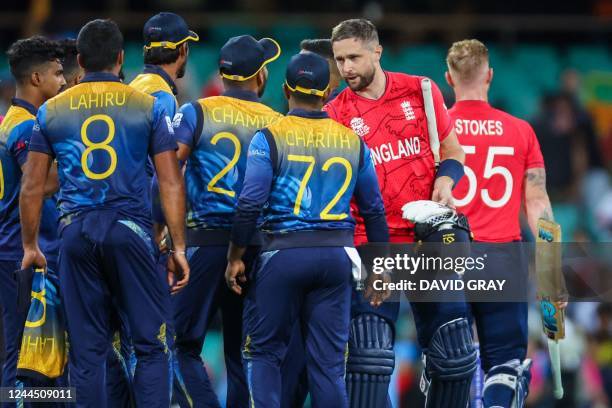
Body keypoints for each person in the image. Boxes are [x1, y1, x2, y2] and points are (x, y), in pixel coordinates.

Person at [19, 19, 189, 407]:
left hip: (75, 232)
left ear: (79, 59)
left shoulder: (51, 111)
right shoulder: (146, 106)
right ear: (120, 58)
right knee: (150, 345)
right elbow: (170, 182)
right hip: (130, 231)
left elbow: (32, 187)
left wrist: (30, 245)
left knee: (87, 352)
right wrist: (177, 246)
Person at [325, 19, 476, 407]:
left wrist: (446, 181)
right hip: (371, 248)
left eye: (354, 57)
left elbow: (453, 151)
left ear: (377, 52)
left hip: (427, 241)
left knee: (456, 353)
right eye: (340, 60)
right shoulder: (334, 114)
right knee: (368, 360)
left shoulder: (420, 91)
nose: (346, 68)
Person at [225, 51, 389, 408]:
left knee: (263, 354)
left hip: (282, 255)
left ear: (285, 90)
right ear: (328, 91)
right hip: (336, 258)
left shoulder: (268, 138)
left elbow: (250, 203)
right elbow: (374, 211)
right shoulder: (353, 142)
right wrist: (379, 268)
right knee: (329, 367)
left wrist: (236, 256)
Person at [172, 34, 282, 407]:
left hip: (203, 241)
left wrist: (167, 233)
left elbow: (168, 175)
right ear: (260, 76)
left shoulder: (196, 112)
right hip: (257, 246)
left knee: (178, 345)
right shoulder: (278, 122)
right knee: (246, 353)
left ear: (221, 73)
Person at [446, 39, 554, 407]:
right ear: (490, 76)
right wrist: (552, 277)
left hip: (449, 260)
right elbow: (538, 204)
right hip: (503, 259)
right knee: (505, 366)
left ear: (449, 78)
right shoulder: (521, 131)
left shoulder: (436, 132)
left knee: (449, 365)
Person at [0, 36, 65, 401]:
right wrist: (82, 164)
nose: (64, 81)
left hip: (16, 251)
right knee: (23, 355)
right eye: (57, 74)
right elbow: (40, 182)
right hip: (21, 255)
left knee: (38, 354)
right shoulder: (24, 127)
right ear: (36, 78)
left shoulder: (17, 122)